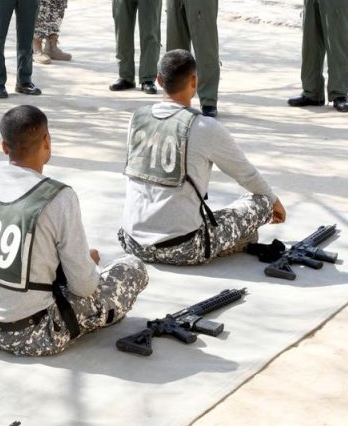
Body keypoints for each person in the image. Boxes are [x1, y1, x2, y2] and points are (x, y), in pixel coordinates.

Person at [0, 105, 148, 356]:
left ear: (4, 146)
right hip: (28, 334)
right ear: (47, 141)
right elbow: (84, 288)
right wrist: (87, 266)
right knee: (132, 267)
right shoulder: (58, 196)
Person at [119, 50, 286, 265]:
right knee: (259, 202)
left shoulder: (137, 118)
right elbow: (246, 174)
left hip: (133, 244)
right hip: (183, 248)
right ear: (194, 81)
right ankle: (232, 241)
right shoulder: (205, 127)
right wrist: (274, 202)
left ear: (159, 80)